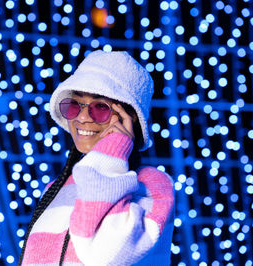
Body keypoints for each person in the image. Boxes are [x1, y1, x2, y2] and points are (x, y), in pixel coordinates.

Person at [18, 50, 175, 265]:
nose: (82, 117)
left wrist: (115, 149)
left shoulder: (152, 184)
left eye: (101, 107)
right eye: (75, 105)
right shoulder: (54, 189)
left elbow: (105, 257)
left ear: (130, 119)